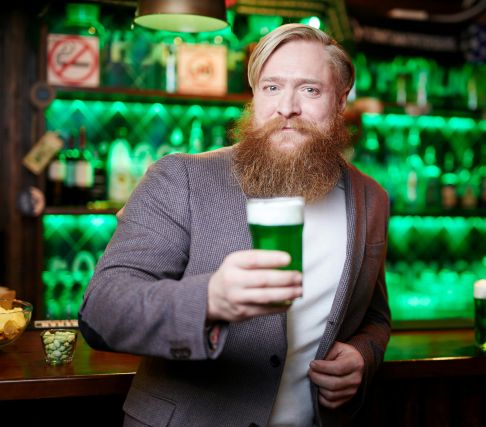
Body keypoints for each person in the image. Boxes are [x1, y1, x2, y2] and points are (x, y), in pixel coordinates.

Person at [79, 23, 391, 427]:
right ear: (254, 97)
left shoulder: (371, 199)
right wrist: (209, 300)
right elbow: (101, 311)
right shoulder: (180, 178)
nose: (287, 107)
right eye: (271, 87)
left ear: (340, 101)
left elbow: (376, 318)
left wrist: (362, 356)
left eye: (310, 90)